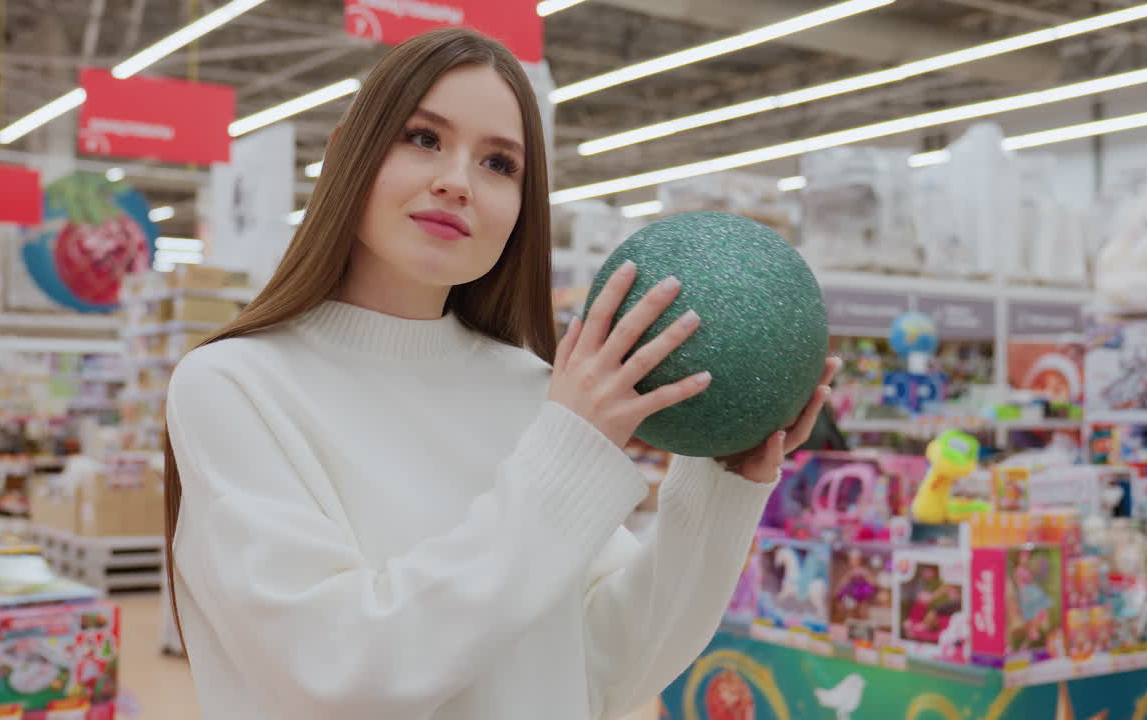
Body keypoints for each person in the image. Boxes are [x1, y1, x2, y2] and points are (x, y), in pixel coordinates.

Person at [164, 28, 839, 720]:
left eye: (498, 164)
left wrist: (721, 482)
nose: (457, 182)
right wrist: (569, 449)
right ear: (345, 153)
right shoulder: (234, 386)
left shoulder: (538, 392)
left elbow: (607, 672)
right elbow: (338, 674)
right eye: (423, 138)